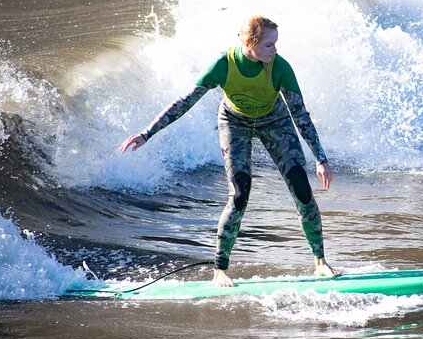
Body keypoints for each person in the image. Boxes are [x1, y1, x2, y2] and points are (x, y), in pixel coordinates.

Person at [119, 15, 338, 287]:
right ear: (249, 43)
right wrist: (146, 134)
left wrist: (321, 158)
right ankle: (220, 269)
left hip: (276, 122)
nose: (275, 50)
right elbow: (184, 102)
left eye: (276, 44)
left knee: (302, 190)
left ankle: (320, 262)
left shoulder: (280, 68)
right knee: (239, 194)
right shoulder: (223, 65)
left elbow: (300, 116)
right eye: (269, 45)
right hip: (234, 123)